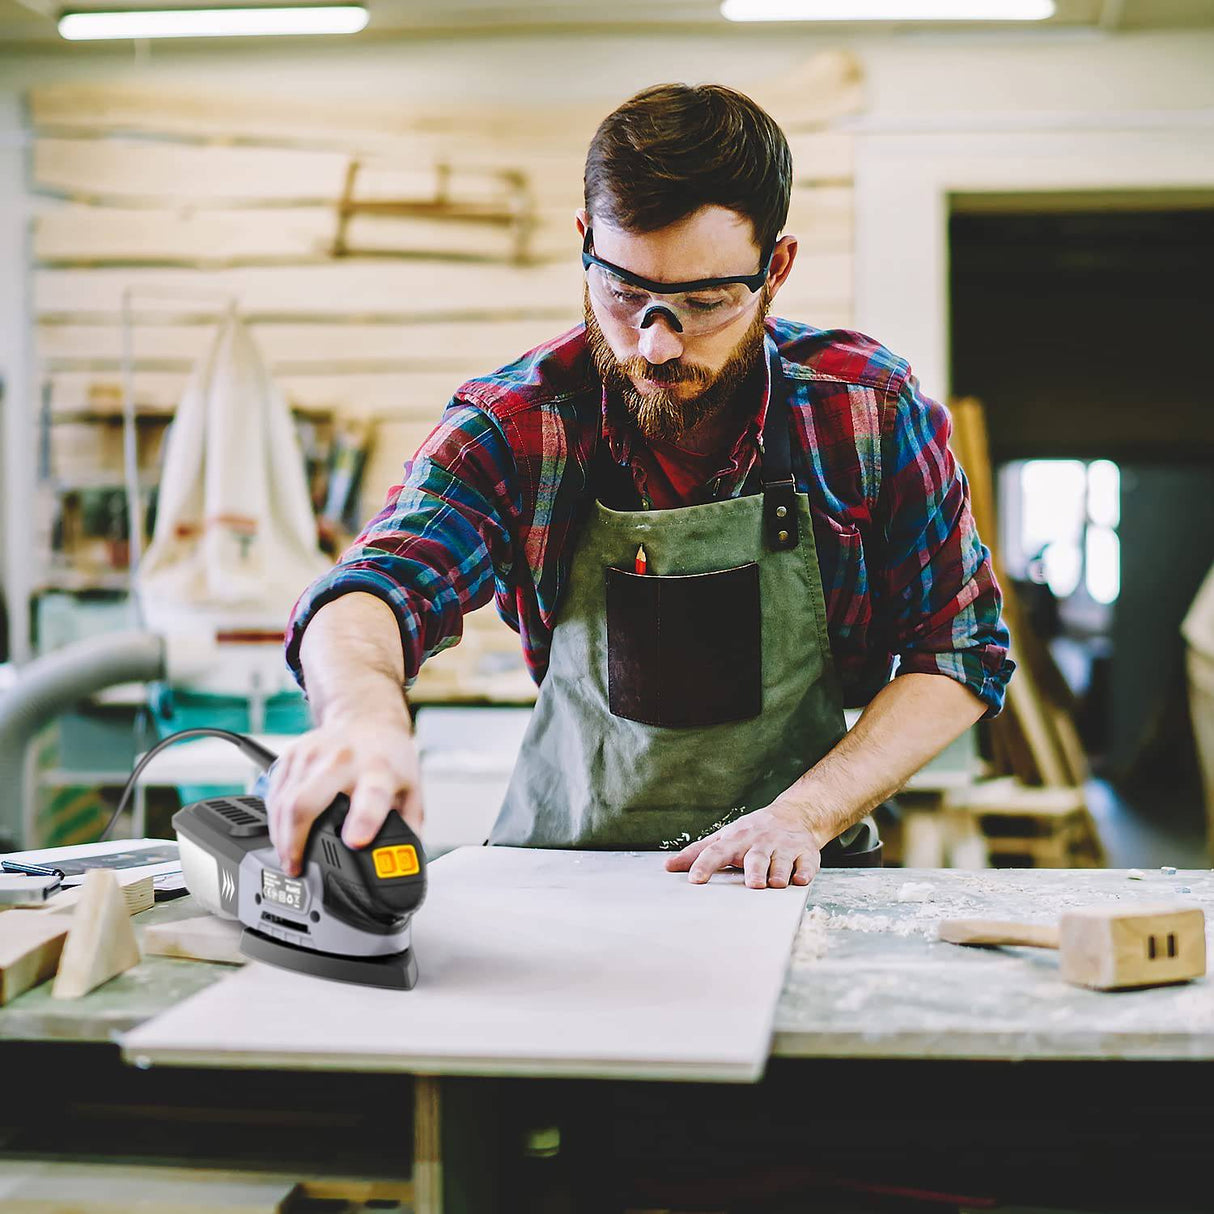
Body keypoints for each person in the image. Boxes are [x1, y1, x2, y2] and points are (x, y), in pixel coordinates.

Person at [267, 82, 1013, 890]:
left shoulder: (867, 414)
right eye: (625, 294)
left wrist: (807, 811)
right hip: (566, 879)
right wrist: (362, 715)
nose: (655, 345)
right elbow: (375, 586)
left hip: (796, 872)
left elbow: (961, 650)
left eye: (704, 302)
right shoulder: (521, 425)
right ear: (585, 241)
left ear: (777, 269)